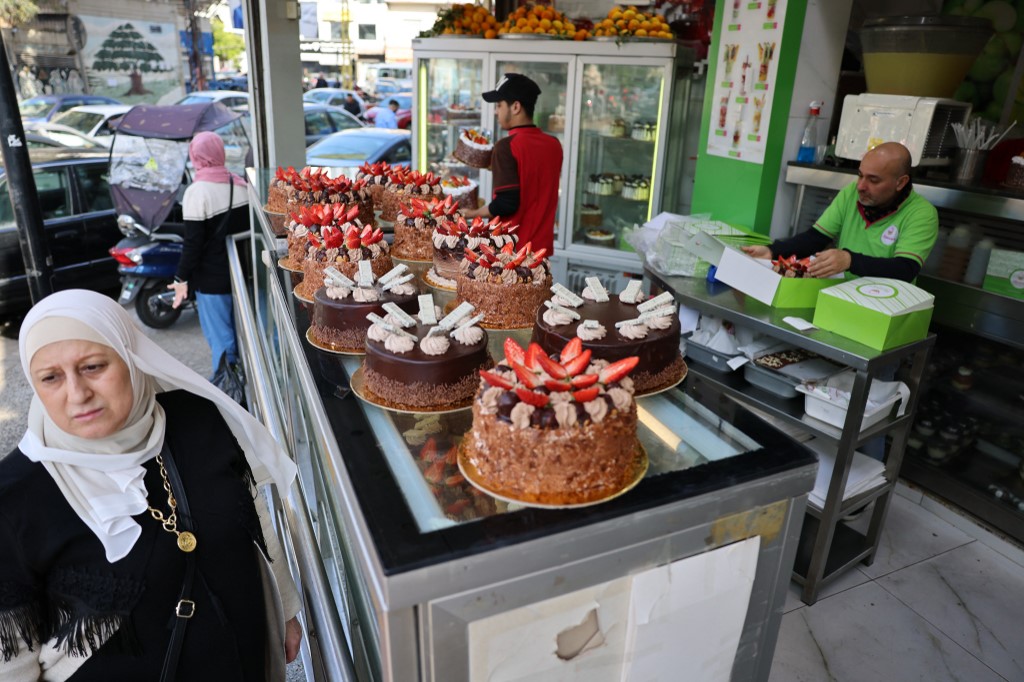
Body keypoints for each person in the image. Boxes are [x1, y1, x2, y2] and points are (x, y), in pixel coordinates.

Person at [0, 289, 302, 680]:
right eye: (51, 378)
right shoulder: (16, 498)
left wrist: (286, 610)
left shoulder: (197, 418)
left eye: (93, 366)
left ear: (130, 357)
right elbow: (12, 660)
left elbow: (250, 513)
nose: (77, 394)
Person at [742, 141, 938, 282]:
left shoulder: (921, 213)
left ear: (900, 182)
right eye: (860, 175)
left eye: (873, 180)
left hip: (884, 306)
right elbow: (815, 238)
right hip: (838, 296)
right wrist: (772, 251)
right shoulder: (851, 194)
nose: (861, 186)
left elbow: (905, 268)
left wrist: (850, 260)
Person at [169, 132, 250, 378]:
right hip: (243, 277)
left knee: (222, 342)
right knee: (245, 337)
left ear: (196, 156)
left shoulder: (197, 192)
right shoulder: (240, 184)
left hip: (212, 282)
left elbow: (192, 245)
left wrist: (180, 278)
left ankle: (230, 392)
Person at [461, 73, 563, 255]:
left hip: (512, 253)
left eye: (499, 105)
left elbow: (506, 204)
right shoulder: (554, 144)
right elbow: (533, 179)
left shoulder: (506, 146)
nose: (496, 111)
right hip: (541, 251)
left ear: (515, 107)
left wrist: (471, 213)